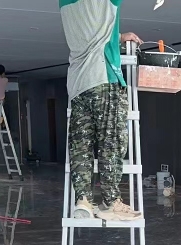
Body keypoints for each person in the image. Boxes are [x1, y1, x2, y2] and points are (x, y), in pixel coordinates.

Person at [59, 0, 142, 221]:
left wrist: (118, 36)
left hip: (78, 83)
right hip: (103, 77)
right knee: (112, 140)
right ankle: (110, 202)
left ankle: (83, 200)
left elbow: (91, 28)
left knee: (81, 145)